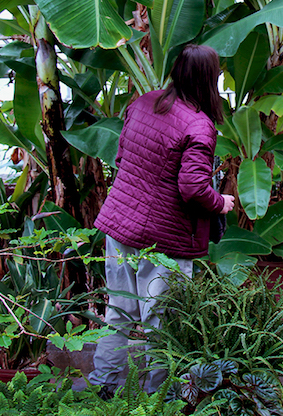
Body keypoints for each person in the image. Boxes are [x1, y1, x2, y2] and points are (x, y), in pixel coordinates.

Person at [88, 44, 235, 394]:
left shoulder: (143, 102)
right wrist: (221, 203)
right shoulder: (199, 125)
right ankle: (162, 399)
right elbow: (194, 187)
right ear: (209, 79)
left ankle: (102, 387)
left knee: (119, 313)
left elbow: (122, 154)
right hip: (163, 239)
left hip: (119, 224)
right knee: (163, 323)